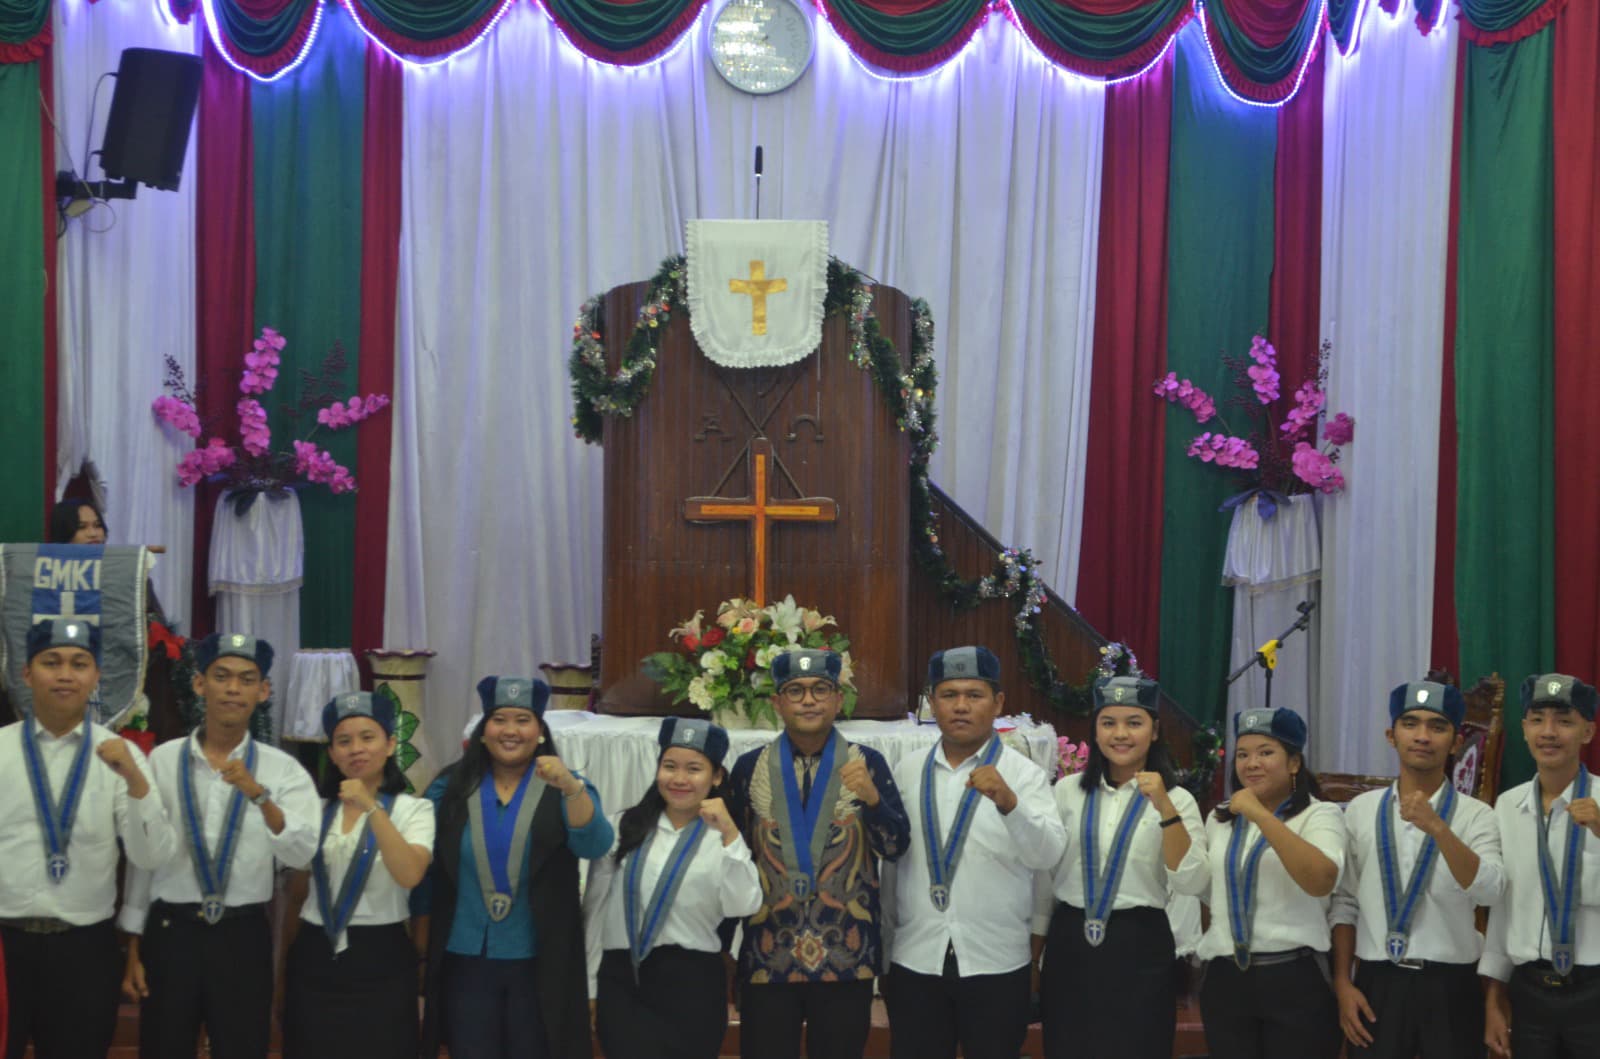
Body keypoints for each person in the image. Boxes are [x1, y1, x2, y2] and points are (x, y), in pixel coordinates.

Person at [119, 632, 321, 1059]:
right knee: (163, 1047)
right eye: (222, 676)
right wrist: (133, 942)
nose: (233, 689)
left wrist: (261, 797)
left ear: (263, 691)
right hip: (171, 932)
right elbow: (143, 858)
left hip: (241, 934)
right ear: (199, 683)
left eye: (247, 679)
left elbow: (300, 854)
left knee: (242, 1046)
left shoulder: (284, 771)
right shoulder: (162, 760)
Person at [0, 619, 176, 1059]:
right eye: (51, 662)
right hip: (4, 947)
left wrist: (135, 781)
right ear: (26, 673)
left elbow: (150, 855)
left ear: (96, 676)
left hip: (84, 950)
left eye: (79, 664)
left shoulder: (121, 756)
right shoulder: (0, 750)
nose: (65, 674)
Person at [724, 648, 910, 1059]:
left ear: (838, 699)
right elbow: (728, 859)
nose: (808, 700)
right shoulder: (749, 767)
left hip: (848, 956)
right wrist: (722, 948)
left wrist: (875, 801)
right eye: (795, 690)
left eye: (820, 689)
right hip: (767, 956)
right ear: (777, 702)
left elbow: (896, 847)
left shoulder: (868, 764)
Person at [882, 645, 1067, 1059]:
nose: (961, 706)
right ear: (932, 702)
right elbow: (891, 866)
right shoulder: (908, 771)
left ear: (998, 702)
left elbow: (1048, 856)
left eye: (974, 695)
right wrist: (886, 949)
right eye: (949, 695)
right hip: (916, 957)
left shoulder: (1025, 775)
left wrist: (1009, 804)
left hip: (996, 962)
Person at [416, 676, 613, 1059]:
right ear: (483, 731)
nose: (510, 730)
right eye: (499, 719)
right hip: (466, 955)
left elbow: (595, 844)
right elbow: (425, 866)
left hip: (539, 960)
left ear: (540, 731)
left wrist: (570, 787)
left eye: (522, 720)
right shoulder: (450, 788)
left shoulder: (565, 786)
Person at [1330, 679, 1504, 1058]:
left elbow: (1490, 892)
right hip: (1378, 982)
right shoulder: (1361, 810)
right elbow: (1344, 903)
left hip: (1450, 986)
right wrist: (1343, 982)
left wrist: (1439, 828)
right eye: (1411, 724)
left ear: (1456, 742)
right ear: (1392, 735)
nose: (1422, 736)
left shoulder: (1477, 816)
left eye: (1437, 726)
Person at [1040, 674, 1208, 1059]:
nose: (1121, 734)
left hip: (1140, 943)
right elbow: (1045, 876)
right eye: (1108, 722)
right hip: (1072, 940)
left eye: (1134, 723)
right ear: (1095, 731)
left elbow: (1193, 879)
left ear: (1155, 731)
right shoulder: (1066, 791)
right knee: (1068, 1045)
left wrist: (1164, 807)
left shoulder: (1178, 799)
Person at [585, 717, 762, 1058]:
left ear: (716, 777)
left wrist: (730, 834)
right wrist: (589, 984)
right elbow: (595, 911)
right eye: (670, 766)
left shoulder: (724, 839)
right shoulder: (624, 826)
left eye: (694, 769)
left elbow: (743, 905)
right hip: (623, 981)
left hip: (693, 985)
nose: (679, 779)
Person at [281, 692, 434, 1058]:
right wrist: (283, 966)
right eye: (343, 741)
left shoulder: (415, 810)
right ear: (331, 752)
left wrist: (370, 806)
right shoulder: (315, 811)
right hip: (316, 953)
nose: (356, 750)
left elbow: (410, 873)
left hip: (382, 958)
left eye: (368, 738)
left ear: (390, 744)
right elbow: (297, 893)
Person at [1196, 706, 1346, 1059]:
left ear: (1294, 763)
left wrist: (1260, 814)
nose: (1252, 764)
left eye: (1266, 753)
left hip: (1294, 976)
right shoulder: (1220, 818)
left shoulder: (1319, 814)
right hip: (1226, 977)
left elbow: (1321, 880)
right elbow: (1208, 893)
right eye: (1243, 755)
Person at [1481, 674, 1600, 1058]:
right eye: (1537, 719)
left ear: (1587, 731)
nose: (1549, 732)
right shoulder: (1507, 807)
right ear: (1523, 729)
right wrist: (1495, 997)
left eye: (1564, 721)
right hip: (1530, 991)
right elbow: (1503, 907)